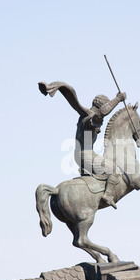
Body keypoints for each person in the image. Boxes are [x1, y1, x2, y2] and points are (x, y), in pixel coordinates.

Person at [38, 81, 126, 209]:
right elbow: (102, 113)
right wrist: (117, 99)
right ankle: (107, 195)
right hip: (86, 155)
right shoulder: (91, 118)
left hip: (81, 154)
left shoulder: (84, 117)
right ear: (102, 105)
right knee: (114, 170)